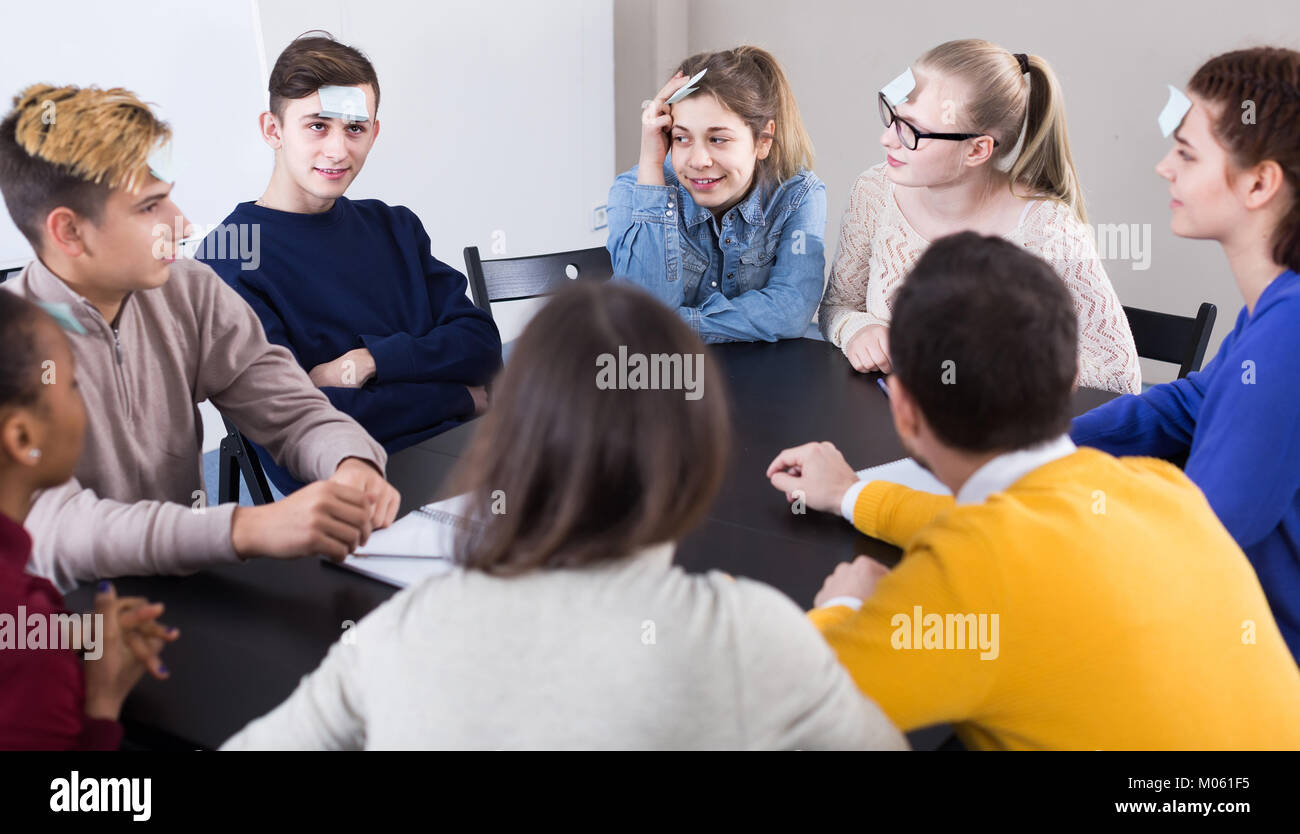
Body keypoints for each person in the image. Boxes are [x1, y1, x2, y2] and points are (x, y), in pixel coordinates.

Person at [223, 283, 906, 750]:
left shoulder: (398, 632)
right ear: (698, 457)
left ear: (508, 440)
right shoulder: (751, 637)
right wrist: (844, 619)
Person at [768, 232, 1300, 749]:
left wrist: (844, 606)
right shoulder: (1159, 488)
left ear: (902, 406)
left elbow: (786, 713)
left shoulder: (970, 582)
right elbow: (1018, 539)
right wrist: (853, 494)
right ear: (1070, 374)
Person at [0, 83, 398, 593]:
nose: (183, 224)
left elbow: (289, 405)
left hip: (184, 597)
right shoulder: (10, 347)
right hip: (56, 631)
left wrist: (350, 461)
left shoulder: (188, 289)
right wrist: (248, 527)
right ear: (69, 232)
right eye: (150, 207)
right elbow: (57, 531)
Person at [1072, 46, 1300, 663]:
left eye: (1187, 154)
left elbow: (1194, 538)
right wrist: (1051, 446)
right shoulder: (1273, 310)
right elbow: (1190, 403)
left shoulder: (1288, 336)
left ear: (1259, 182)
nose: (1162, 168)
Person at [201, 34, 501, 493]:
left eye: (355, 128)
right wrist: (459, 395)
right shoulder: (229, 257)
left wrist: (370, 361)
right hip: (361, 490)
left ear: (374, 132)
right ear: (273, 130)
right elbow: (302, 430)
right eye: (318, 126)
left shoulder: (394, 226)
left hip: (475, 457)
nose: (339, 150)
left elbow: (480, 347)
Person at [818, 39, 1140, 394]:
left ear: (977, 150)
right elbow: (839, 305)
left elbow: (1119, 377)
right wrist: (855, 330)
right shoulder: (874, 192)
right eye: (892, 116)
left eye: (911, 130)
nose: (887, 138)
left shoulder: (1046, 229)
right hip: (888, 424)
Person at [0, 291, 178, 749]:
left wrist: (57, 632)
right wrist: (103, 700)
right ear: (23, 437)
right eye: (73, 386)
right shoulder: (31, 652)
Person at [607, 46, 826, 343]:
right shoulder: (634, 192)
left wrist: (675, 325)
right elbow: (643, 317)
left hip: (760, 378)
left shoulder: (798, 195)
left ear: (762, 140)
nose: (698, 161)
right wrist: (651, 164)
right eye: (681, 137)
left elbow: (791, 311)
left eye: (718, 139)